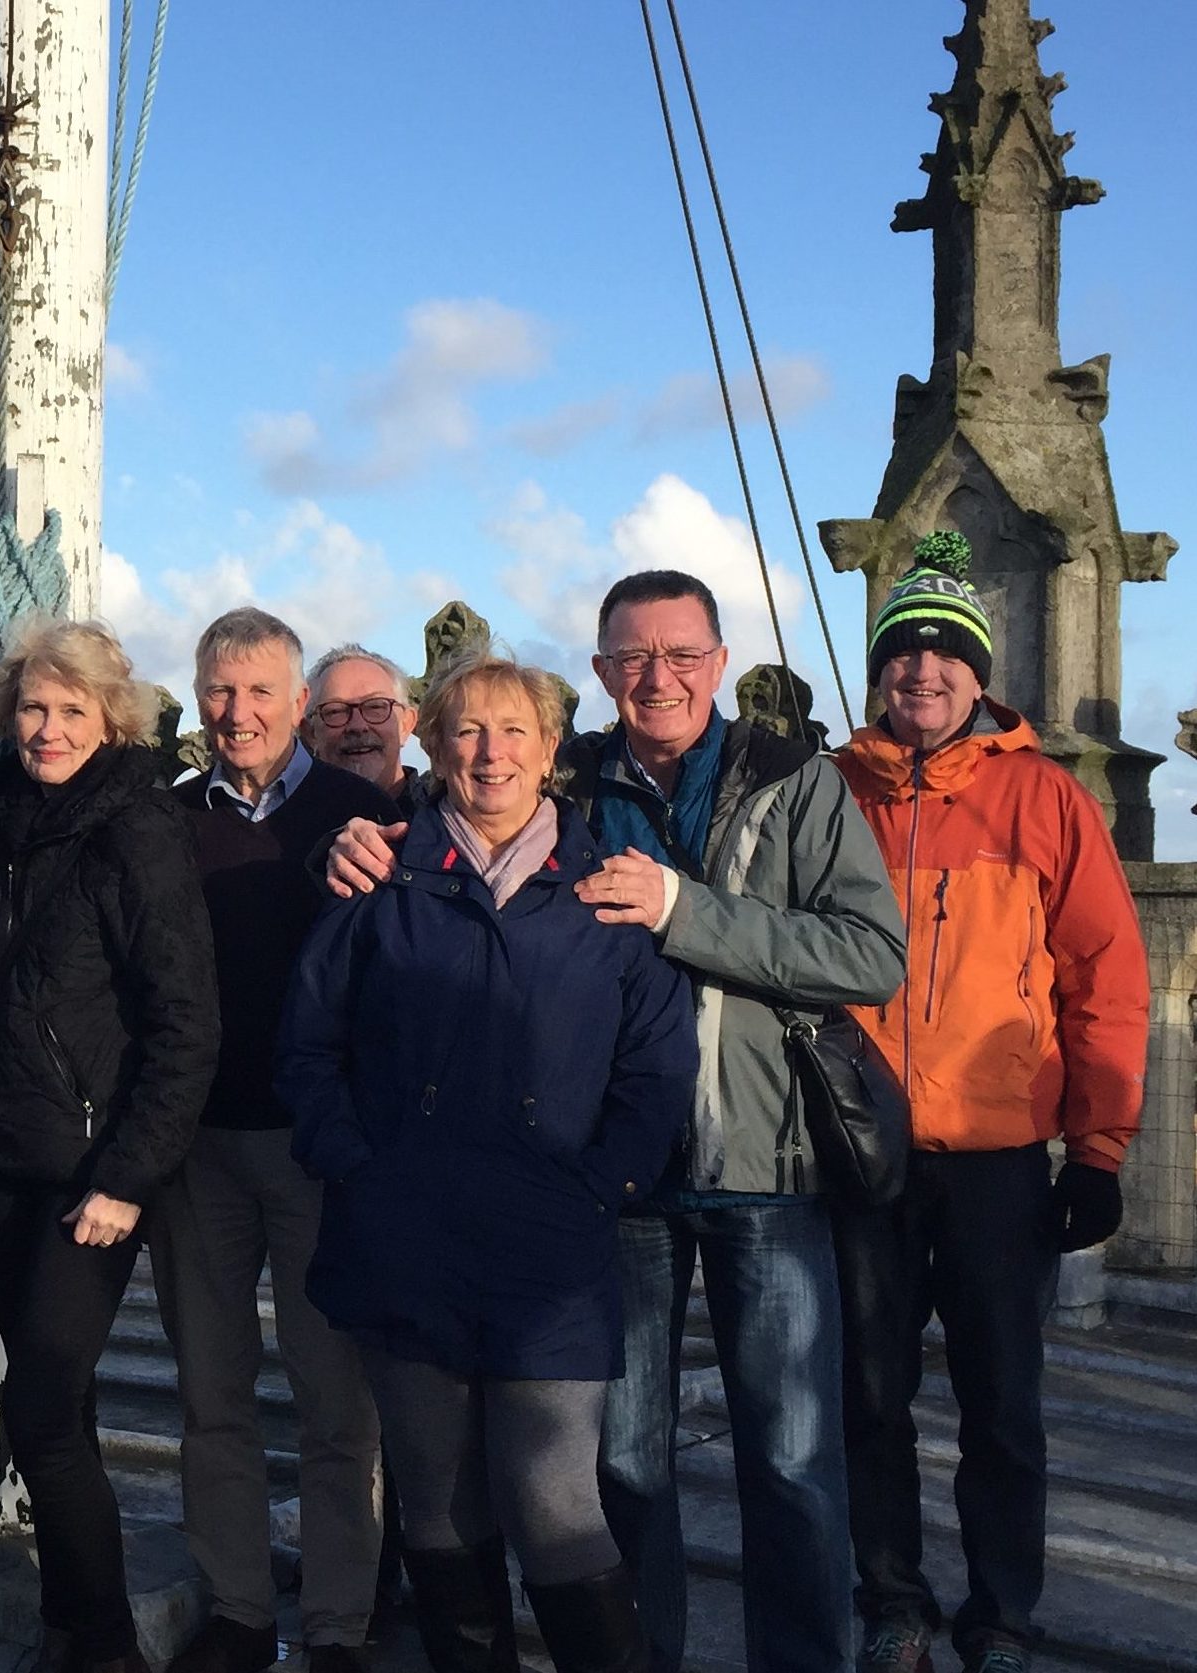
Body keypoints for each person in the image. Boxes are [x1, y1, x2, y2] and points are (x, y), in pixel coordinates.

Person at [324, 572, 908, 1673]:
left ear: (720, 660)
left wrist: (688, 912)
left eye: (682, 654)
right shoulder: (571, 774)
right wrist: (345, 847)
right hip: (615, 1178)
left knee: (788, 1456)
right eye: (633, 658)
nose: (659, 678)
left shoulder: (795, 780)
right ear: (598, 675)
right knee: (624, 1460)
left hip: (762, 1156)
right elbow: (447, 827)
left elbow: (870, 953)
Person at [283, 653, 695, 1673]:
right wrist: (353, 1164)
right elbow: (308, 1042)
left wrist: (605, 1183)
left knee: (554, 1499)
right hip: (405, 1233)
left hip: (550, 1243)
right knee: (438, 1501)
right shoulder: (383, 878)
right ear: (431, 743)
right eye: (467, 729)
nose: (491, 751)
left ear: (552, 751)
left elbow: (655, 1067)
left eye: (515, 730)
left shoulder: (602, 898)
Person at [832, 533, 1149, 1673]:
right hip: (861, 1157)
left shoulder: (1046, 796)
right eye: (904, 647)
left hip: (997, 1161)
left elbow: (1106, 975)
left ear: (981, 671)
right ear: (878, 667)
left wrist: (1099, 1148)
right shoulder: (831, 789)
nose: (923, 666)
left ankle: (1002, 1609)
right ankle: (892, 1598)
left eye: (946, 649)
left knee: (1001, 1404)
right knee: (867, 1396)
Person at [0, 617, 219, 1673]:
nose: (45, 729)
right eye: (31, 710)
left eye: (68, 710)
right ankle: (69, 1620)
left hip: (86, 1173)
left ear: (111, 718)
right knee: (66, 1410)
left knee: (41, 1403)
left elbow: (184, 1019)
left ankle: (103, 1643)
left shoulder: (137, 825)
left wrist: (127, 1175)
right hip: (0, 1154)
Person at [157, 610, 396, 1673]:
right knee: (213, 1394)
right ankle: (242, 1608)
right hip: (200, 1142)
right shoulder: (168, 820)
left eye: (260, 691)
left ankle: (340, 1620)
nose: (237, 712)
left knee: (335, 1400)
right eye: (219, 690)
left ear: (300, 704)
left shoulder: (363, 813)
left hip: (316, 1145)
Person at [302, 645, 424, 812]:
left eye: (375, 707)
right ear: (310, 734)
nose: (358, 726)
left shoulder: (451, 822)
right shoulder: (283, 830)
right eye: (336, 711)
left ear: (406, 724)